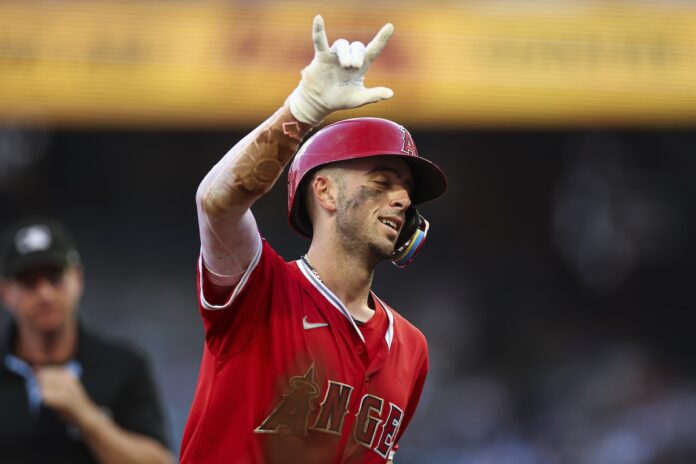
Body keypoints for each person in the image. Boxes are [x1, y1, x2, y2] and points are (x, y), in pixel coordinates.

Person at [181, 15, 447, 464]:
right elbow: (216, 204)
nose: (403, 200)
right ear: (325, 192)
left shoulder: (411, 347)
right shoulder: (260, 291)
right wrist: (303, 108)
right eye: (382, 183)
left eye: (406, 191)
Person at [0, 217, 174, 464]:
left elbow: (160, 461)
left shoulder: (124, 367)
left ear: (78, 279)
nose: (45, 293)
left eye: (55, 277)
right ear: (6, 292)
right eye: (29, 282)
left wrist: (86, 417)